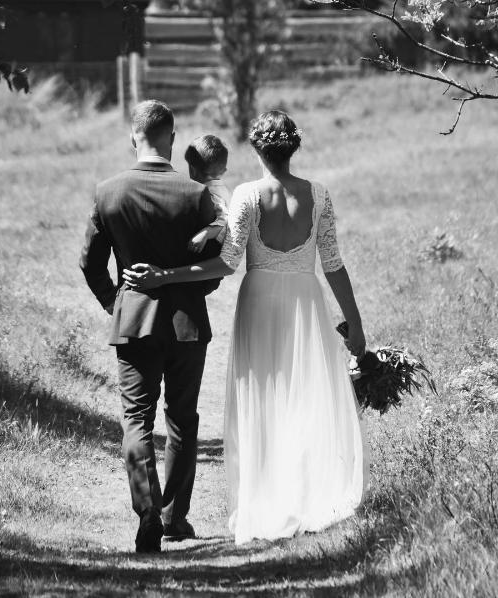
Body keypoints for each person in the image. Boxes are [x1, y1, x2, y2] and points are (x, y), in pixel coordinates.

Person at [123, 110, 368, 544]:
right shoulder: (321, 195)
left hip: (258, 303)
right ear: (293, 147)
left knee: (262, 399)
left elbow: (227, 262)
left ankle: (268, 501)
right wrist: (356, 324)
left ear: (257, 148)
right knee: (304, 395)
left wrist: (167, 275)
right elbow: (334, 265)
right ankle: (304, 495)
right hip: (305, 302)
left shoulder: (248, 196)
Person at [79, 100, 220, 553]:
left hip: (133, 322)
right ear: (172, 139)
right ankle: (174, 517)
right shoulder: (195, 195)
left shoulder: (108, 192)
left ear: (133, 138)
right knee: (182, 420)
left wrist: (116, 303)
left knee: (136, 418)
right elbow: (213, 271)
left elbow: (90, 263)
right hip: (187, 327)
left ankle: (147, 514)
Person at [184, 134, 230, 253]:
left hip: (215, 249)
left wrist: (205, 233)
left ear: (192, 170)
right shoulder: (220, 187)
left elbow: (225, 218)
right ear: (223, 170)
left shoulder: (211, 191)